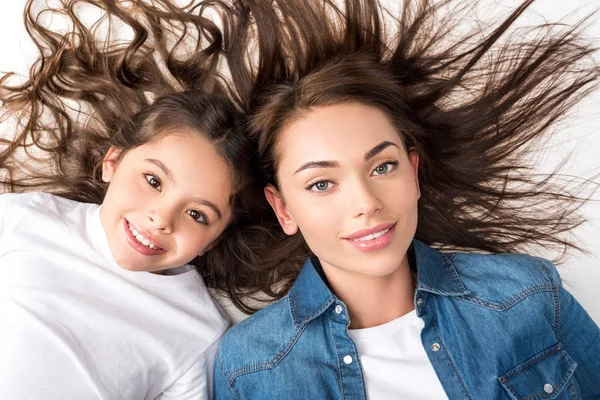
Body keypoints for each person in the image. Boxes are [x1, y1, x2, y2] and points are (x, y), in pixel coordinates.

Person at [213, 0, 600, 398]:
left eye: (382, 167)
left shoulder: (528, 295)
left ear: (413, 173)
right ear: (283, 208)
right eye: (321, 184)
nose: (366, 202)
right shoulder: (251, 368)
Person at [0, 0, 267, 398]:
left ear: (213, 239)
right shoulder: (26, 219)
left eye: (197, 213)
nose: (162, 218)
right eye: (153, 181)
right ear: (113, 161)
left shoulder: (198, 331)